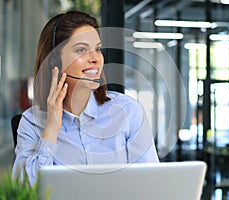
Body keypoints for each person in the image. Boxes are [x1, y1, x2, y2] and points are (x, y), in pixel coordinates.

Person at [12, 10, 159, 186]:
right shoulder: (32, 122)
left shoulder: (128, 111)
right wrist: (51, 130)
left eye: (97, 49)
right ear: (54, 62)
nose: (95, 58)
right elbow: (24, 190)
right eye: (81, 50)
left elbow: (151, 183)